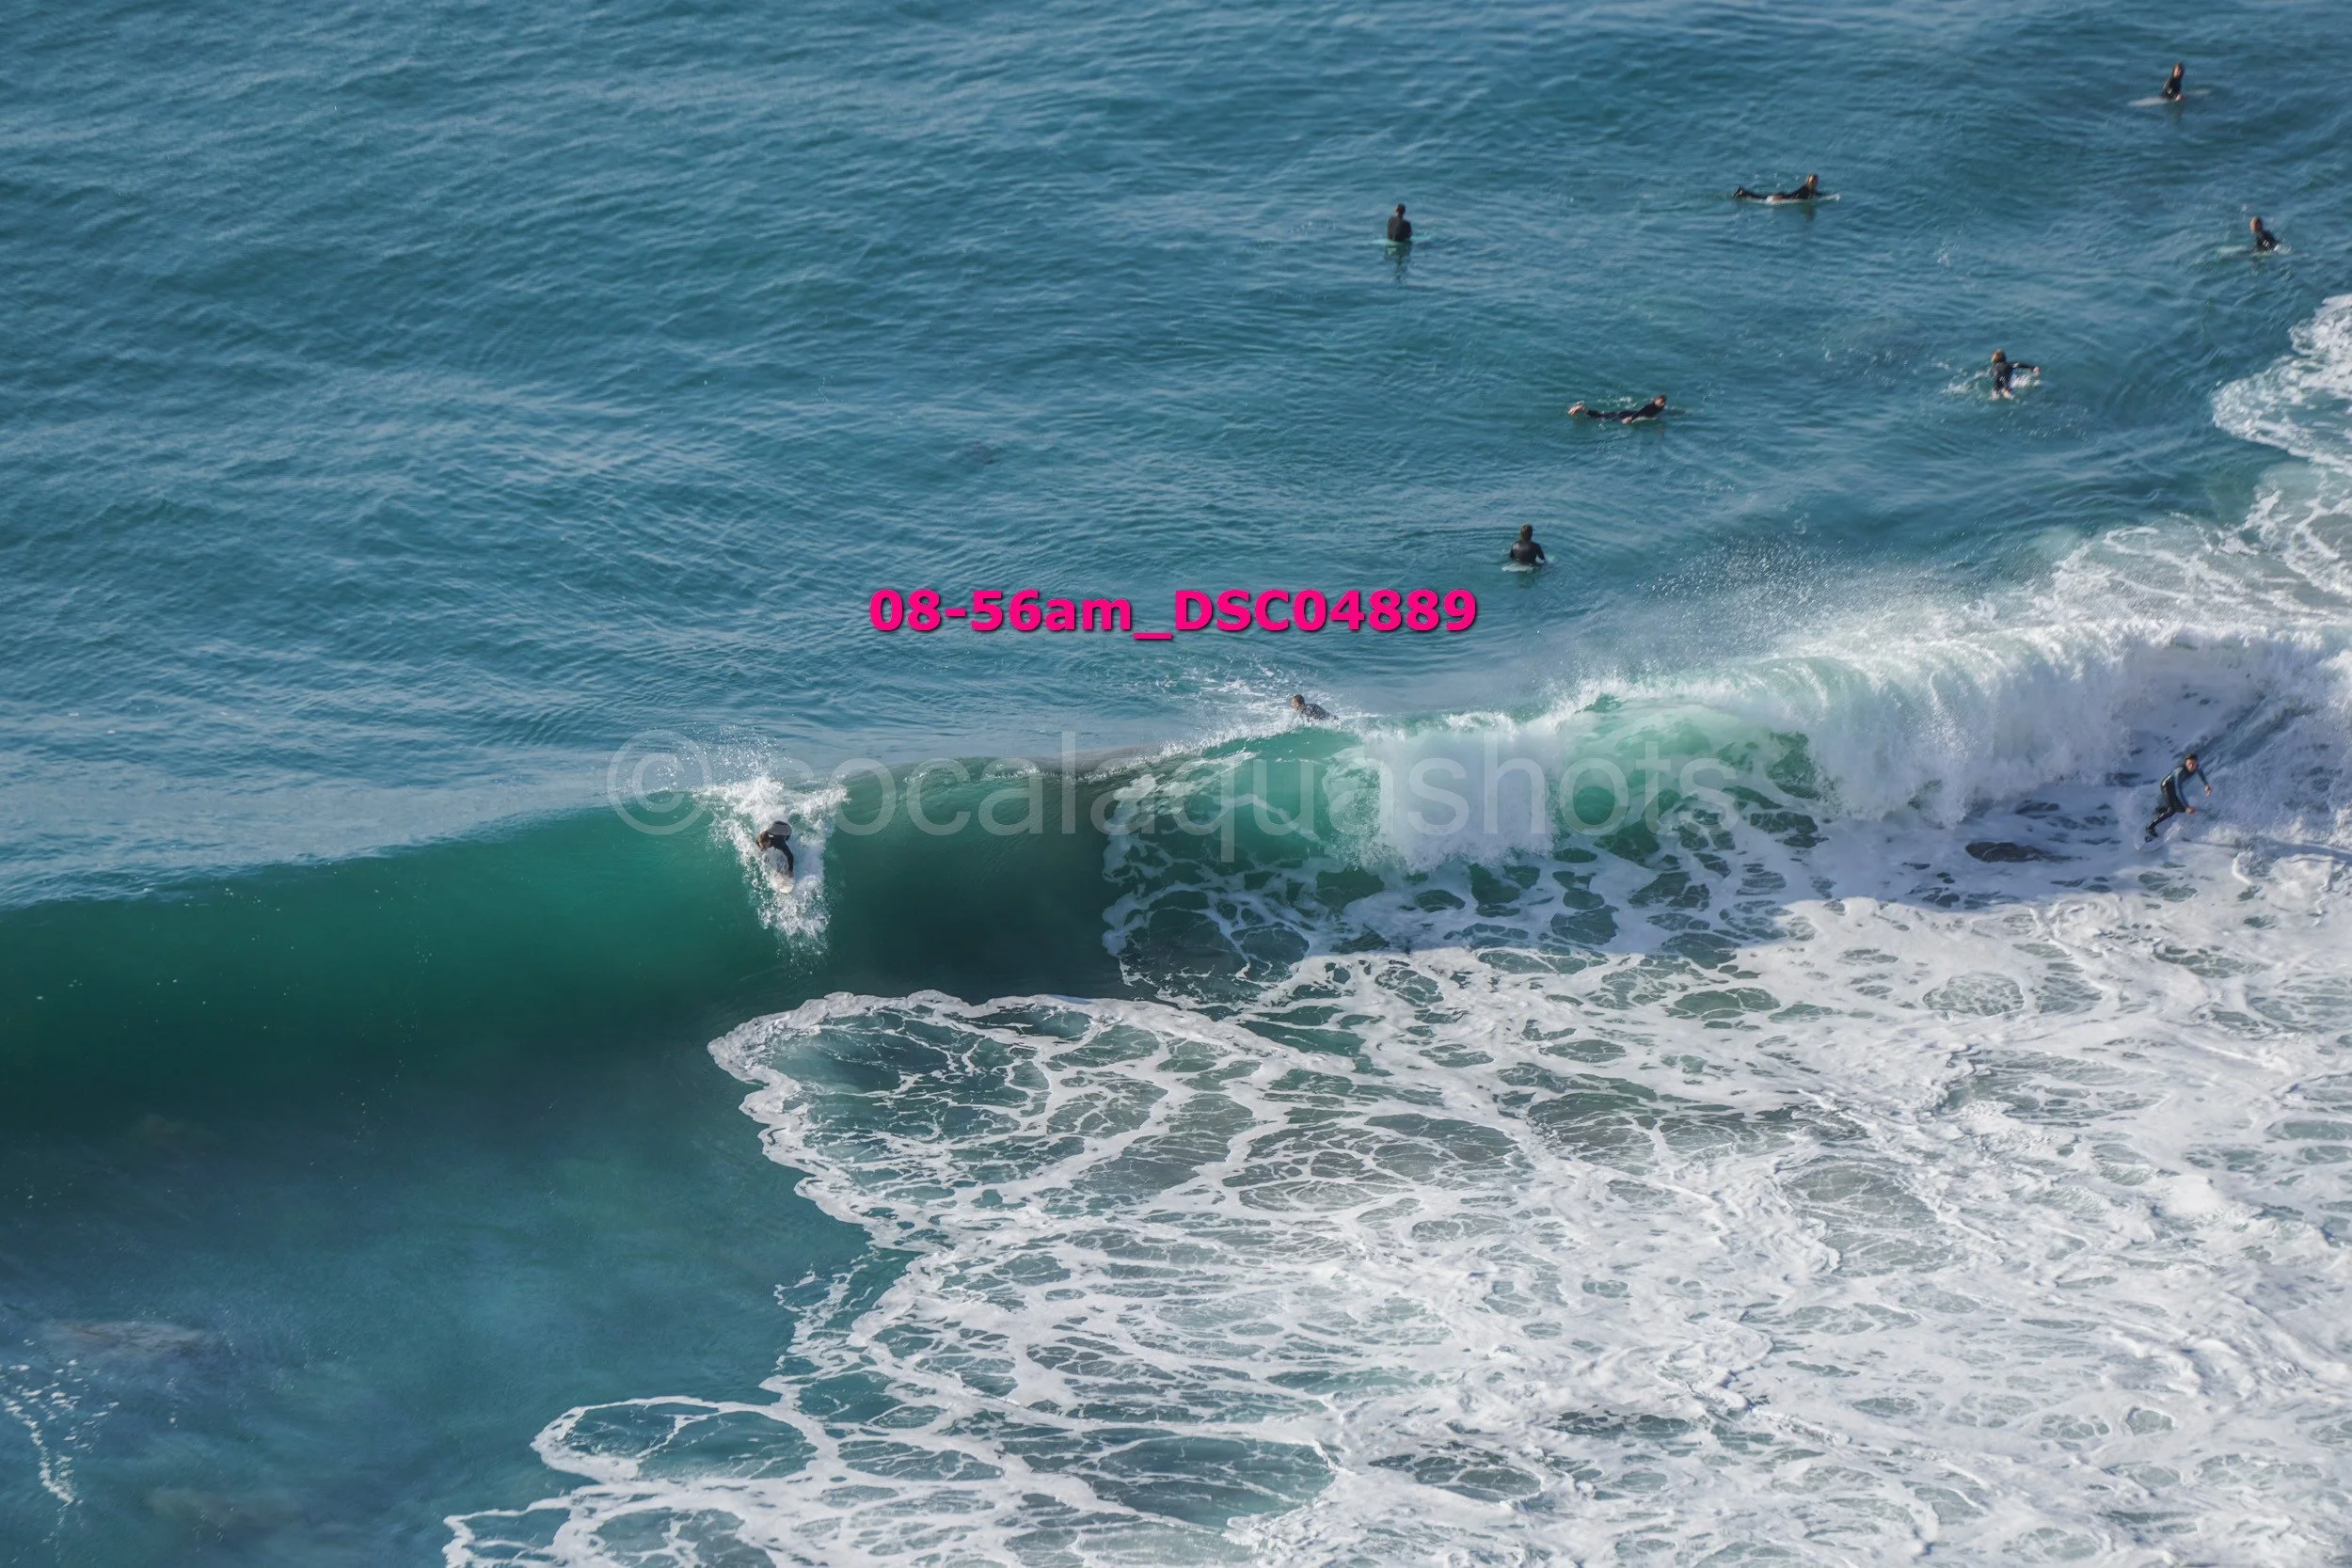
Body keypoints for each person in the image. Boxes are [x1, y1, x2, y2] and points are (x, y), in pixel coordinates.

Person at [2144, 753, 2209, 842]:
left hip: (2173, 787)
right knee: (2172, 811)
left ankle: (2159, 810)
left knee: (2181, 809)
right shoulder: (2180, 771)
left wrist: (2206, 785)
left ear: (2196, 763)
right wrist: (2187, 806)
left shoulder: (2196, 767)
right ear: (2186, 763)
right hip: (2167, 785)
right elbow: (2179, 791)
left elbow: (2201, 773)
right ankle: (2150, 827)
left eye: (2193, 764)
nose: (2191, 766)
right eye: (2189, 764)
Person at [1568, 395, 1667, 422]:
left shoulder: (1659, 407)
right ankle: (1582, 409)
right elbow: (1641, 412)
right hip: (1627, 415)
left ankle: (1583, 410)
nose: (1663, 403)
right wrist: (1630, 419)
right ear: (1656, 401)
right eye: (1661, 402)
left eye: (1663, 402)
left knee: (1604, 415)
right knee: (1602, 417)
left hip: (1629, 413)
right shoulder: (1650, 406)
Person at [1734, 174, 1823, 203]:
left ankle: (1743, 192)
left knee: (1762, 197)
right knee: (1762, 198)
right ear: (1808, 181)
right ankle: (1743, 193)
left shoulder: (1811, 190)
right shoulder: (1805, 188)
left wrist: (1829, 196)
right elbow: (1793, 194)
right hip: (1783, 197)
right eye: (1813, 181)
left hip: (1785, 196)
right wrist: (1782, 198)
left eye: (1815, 181)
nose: (1815, 183)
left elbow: (1819, 194)